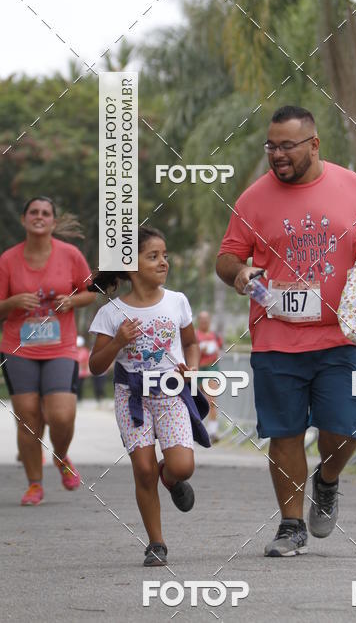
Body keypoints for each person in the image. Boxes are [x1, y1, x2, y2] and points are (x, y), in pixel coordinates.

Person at [216, 105, 356, 557]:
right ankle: (291, 525)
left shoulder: (353, 185)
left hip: (340, 335)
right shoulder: (253, 199)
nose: (276, 154)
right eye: (271, 146)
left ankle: (327, 481)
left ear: (314, 144)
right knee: (285, 433)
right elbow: (226, 256)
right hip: (276, 337)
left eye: (286, 146)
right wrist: (237, 274)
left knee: (345, 429)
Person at [88, 225, 210, 567]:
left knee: (182, 467)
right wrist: (117, 342)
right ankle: (156, 543)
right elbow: (96, 366)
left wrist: (194, 369)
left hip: (171, 394)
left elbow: (191, 343)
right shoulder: (111, 313)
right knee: (142, 469)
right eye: (153, 256)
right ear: (130, 266)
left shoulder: (177, 302)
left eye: (165, 256)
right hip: (132, 398)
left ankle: (168, 477)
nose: (163, 263)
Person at [0, 196, 96, 506]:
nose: (39, 217)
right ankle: (34, 484)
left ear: (53, 222)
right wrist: (13, 303)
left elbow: (89, 293)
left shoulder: (70, 255)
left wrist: (71, 301)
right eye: (33, 212)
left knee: (61, 415)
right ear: (24, 220)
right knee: (27, 419)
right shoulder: (7, 260)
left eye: (45, 213)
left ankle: (61, 455)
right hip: (18, 349)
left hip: (60, 347)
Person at [195, 310, 223, 440]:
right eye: (202, 321)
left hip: (211, 369)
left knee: (211, 400)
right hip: (198, 369)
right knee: (196, 402)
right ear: (198, 321)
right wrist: (201, 350)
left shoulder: (215, 336)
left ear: (209, 321)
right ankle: (196, 430)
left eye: (206, 321)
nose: (204, 323)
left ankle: (212, 431)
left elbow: (219, 350)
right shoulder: (195, 335)